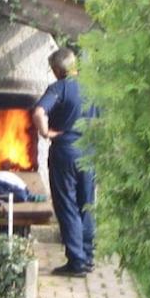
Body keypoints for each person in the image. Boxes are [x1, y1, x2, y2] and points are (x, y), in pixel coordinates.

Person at [33, 47, 96, 278]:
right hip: (89, 152)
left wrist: (46, 133)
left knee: (67, 205)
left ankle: (77, 262)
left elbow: (39, 112)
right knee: (87, 204)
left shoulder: (59, 88)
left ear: (59, 70)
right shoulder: (93, 89)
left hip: (65, 153)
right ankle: (88, 257)